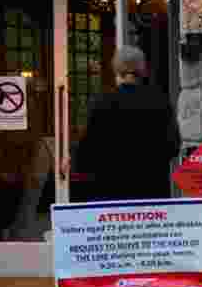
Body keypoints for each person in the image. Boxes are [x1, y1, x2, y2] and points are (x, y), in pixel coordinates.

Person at [65, 45, 181, 201]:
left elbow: (86, 152)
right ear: (143, 71)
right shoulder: (160, 102)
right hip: (152, 192)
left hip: (110, 194)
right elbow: (173, 146)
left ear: (116, 71)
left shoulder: (101, 103)